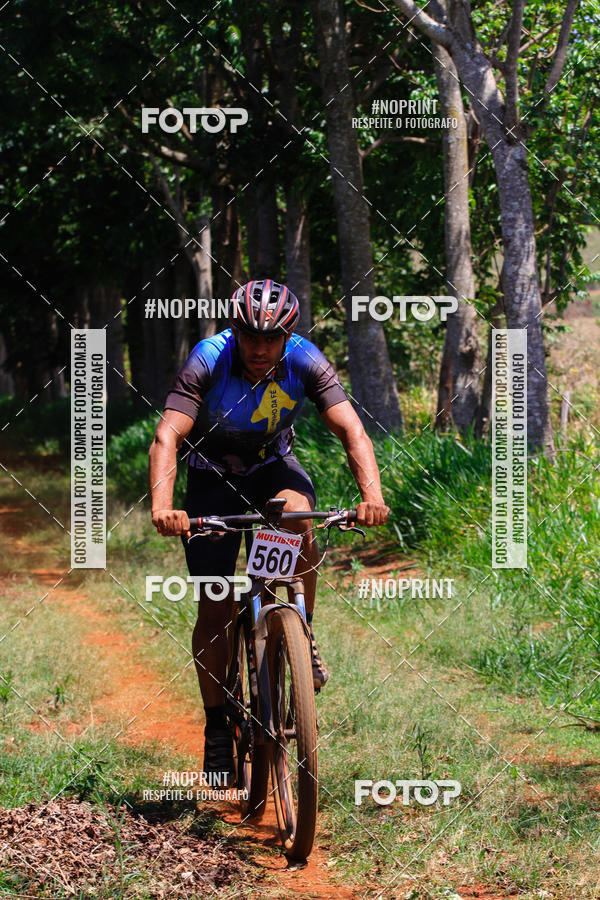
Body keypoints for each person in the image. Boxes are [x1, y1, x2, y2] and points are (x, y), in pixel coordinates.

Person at [149, 278, 389, 777]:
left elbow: (352, 431)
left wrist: (373, 497)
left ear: (287, 337)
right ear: (235, 331)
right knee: (215, 605)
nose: (260, 349)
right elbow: (167, 435)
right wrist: (164, 507)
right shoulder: (208, 359)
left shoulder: (305, 359)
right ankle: (218, 729)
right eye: (250, 337)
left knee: (296, 517)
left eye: (271, 339)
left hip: (273, 469)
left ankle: (300, 628)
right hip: (211, 479)